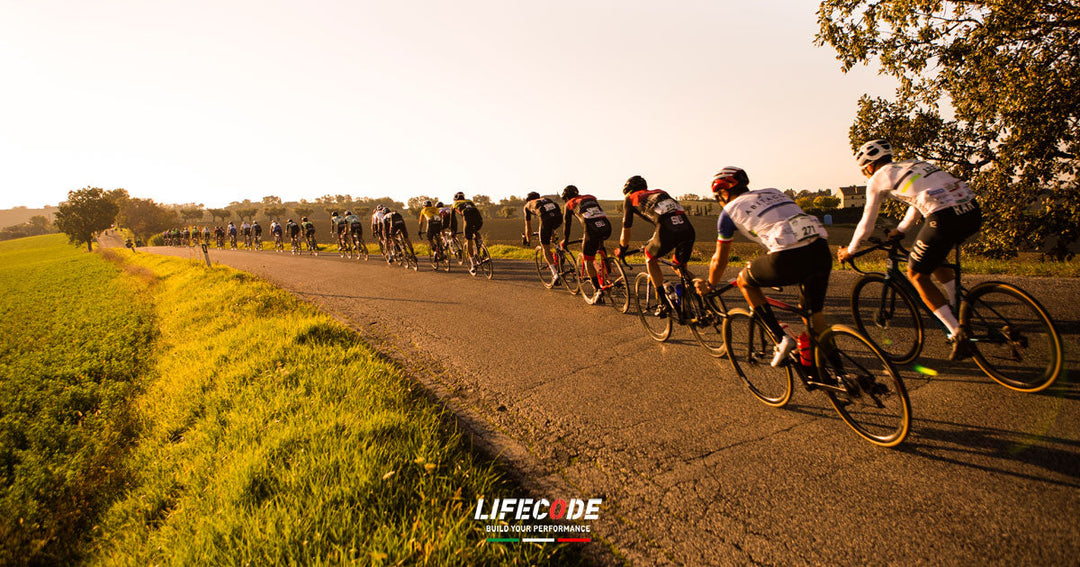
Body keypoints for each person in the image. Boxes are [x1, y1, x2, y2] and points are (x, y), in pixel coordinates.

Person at [836, 139, 982, 360]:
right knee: (935, 258)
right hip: (971, 211)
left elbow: (867, 222)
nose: (865, 175)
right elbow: (916, 201)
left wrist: (851, 250)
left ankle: (956, 332)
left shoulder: (877, 178)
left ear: (868, 166)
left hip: (944, 217)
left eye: (863, 171)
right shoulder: (913, 165)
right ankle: (957, 305)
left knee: (916, 274)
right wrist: (902, 229)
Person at [694, 167, 832, 366]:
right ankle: (841, 375)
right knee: (812, 314)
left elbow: (720, 259)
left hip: (787, 255)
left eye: (718, 197)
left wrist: (710, 284)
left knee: (744, 281)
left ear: (724, 192)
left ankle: (781, 338)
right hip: (820, 250)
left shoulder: (729, 212)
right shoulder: (774, 192)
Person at [615, 175, 695, 314]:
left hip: (667, 230)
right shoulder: (661, 193)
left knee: (649, 258)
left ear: (629, 191)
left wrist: (623, 248)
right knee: (679, 267)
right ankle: (704, 293)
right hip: (687, 228)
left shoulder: (631, 198)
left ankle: (663, 303)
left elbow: (626, 228)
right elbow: (668, 216)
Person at [560, 185, 612, 304]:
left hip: (591, 230)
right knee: (599, 245)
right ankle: (607, 268)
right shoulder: (590, 198)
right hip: (607, 226)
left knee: (587, 259)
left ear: (566, 197)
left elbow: (567, 225)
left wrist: (565, 240)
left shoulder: (569, 204)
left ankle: (598, 290)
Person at [523, 191, 564, 286]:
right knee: (551, 229)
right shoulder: (546, 199)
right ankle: (559, 249)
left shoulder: (528, 205)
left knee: (545, 247)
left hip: (546, 219)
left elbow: (528, 226)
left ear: (528, 200)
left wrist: (528, 239)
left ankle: (555, 275)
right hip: (558, 217)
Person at [453, 192, 485, 275]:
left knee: (468, 239)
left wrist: (454, 231)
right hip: (478, 216)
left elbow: (452, 220)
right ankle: (481, 245)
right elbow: (474, 209)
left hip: (467, 216)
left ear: (455, 199)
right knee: (475, 231)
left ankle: (473, 264)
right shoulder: (469, 201)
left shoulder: (454, 204)